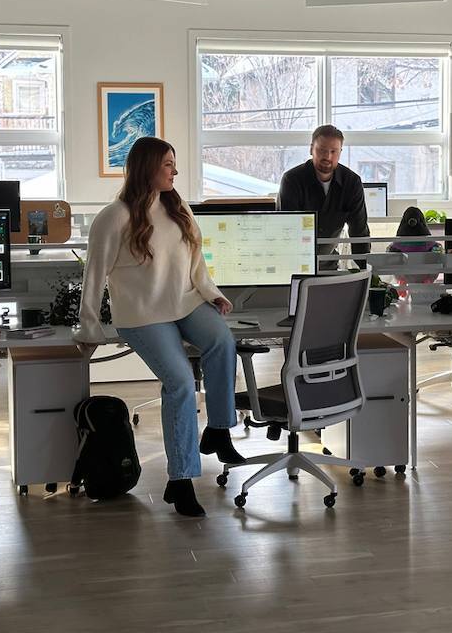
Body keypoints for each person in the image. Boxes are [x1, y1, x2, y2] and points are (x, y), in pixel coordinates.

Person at [75, 137, 244, 517]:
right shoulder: (113, 216)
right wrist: (89, 327)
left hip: (186, 301)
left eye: (174, 163)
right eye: (168, 164)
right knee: (181, 382)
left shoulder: (176, 204)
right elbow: (93, 275)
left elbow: (196, 259)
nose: (175, 171)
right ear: (147, 166)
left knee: (222, 340)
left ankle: (218, 428)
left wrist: (212, 293)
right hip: (143, 314)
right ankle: (180, 481)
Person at [277, 125, 370, 268]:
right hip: (295, 263)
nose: (327, 157)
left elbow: (359, 232)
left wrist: (366, 273)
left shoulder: (351, 183)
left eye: (333, 151)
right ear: (311, 149)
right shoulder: (292, 180)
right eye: (322, 150)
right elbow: (287, 231)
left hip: (329, 263)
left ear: (340, 152)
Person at [386, 206, 442, 291]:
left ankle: (402, 281)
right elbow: (438, 253)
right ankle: (428, 281)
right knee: (438, 256)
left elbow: (389, 256)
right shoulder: (431, 243)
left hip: (404, 275)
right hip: (425, 274)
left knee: (392, 256)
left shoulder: (397, 244)